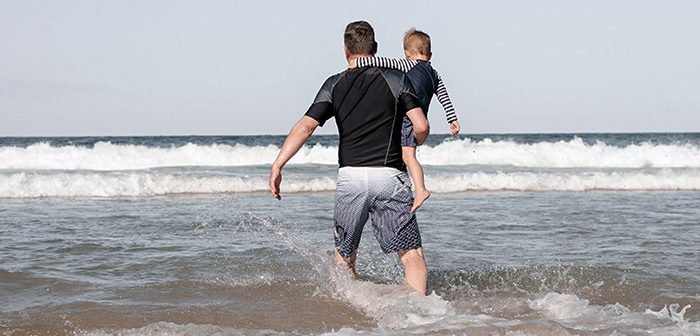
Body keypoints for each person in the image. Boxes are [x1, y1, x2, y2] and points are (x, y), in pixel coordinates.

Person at [268, 21, 431, 294]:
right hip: (389, 176)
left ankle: (355, 310)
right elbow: (421, 125)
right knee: (411, 254)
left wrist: (278, 164)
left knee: (344, 257)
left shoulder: (334, 84)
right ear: (375, 48)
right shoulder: (396, 79)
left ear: (345, 50)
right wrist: (416, 144)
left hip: (350, 179)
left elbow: (305, 126)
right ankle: (421, 317)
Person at [351, 28, 460, 213]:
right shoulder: (435, 74)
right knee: (406, 154)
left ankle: (421, 189)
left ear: (407, 53)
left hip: (407, 118)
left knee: (408, 156)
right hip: (420, 117)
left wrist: (358, 62)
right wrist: (452, 119)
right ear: (430, 54)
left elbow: (381, 61)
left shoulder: (407, 65)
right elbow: (445, 98)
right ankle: (411, 186)